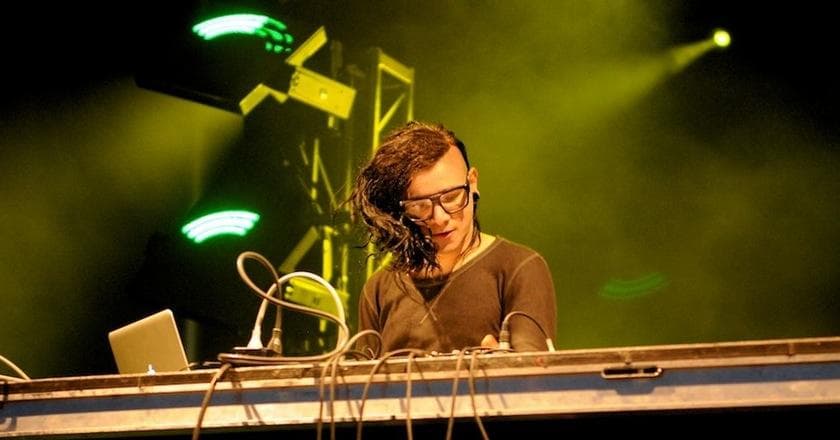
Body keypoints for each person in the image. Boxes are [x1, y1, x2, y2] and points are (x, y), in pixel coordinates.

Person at [350, 121, 556, 355]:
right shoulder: (378, 288)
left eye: (451, 197)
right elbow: (363, 376)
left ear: (473, 182)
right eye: (420, 205)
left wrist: (503, 366)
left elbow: (532, 369)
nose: (439, 218)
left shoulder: (519, 268)